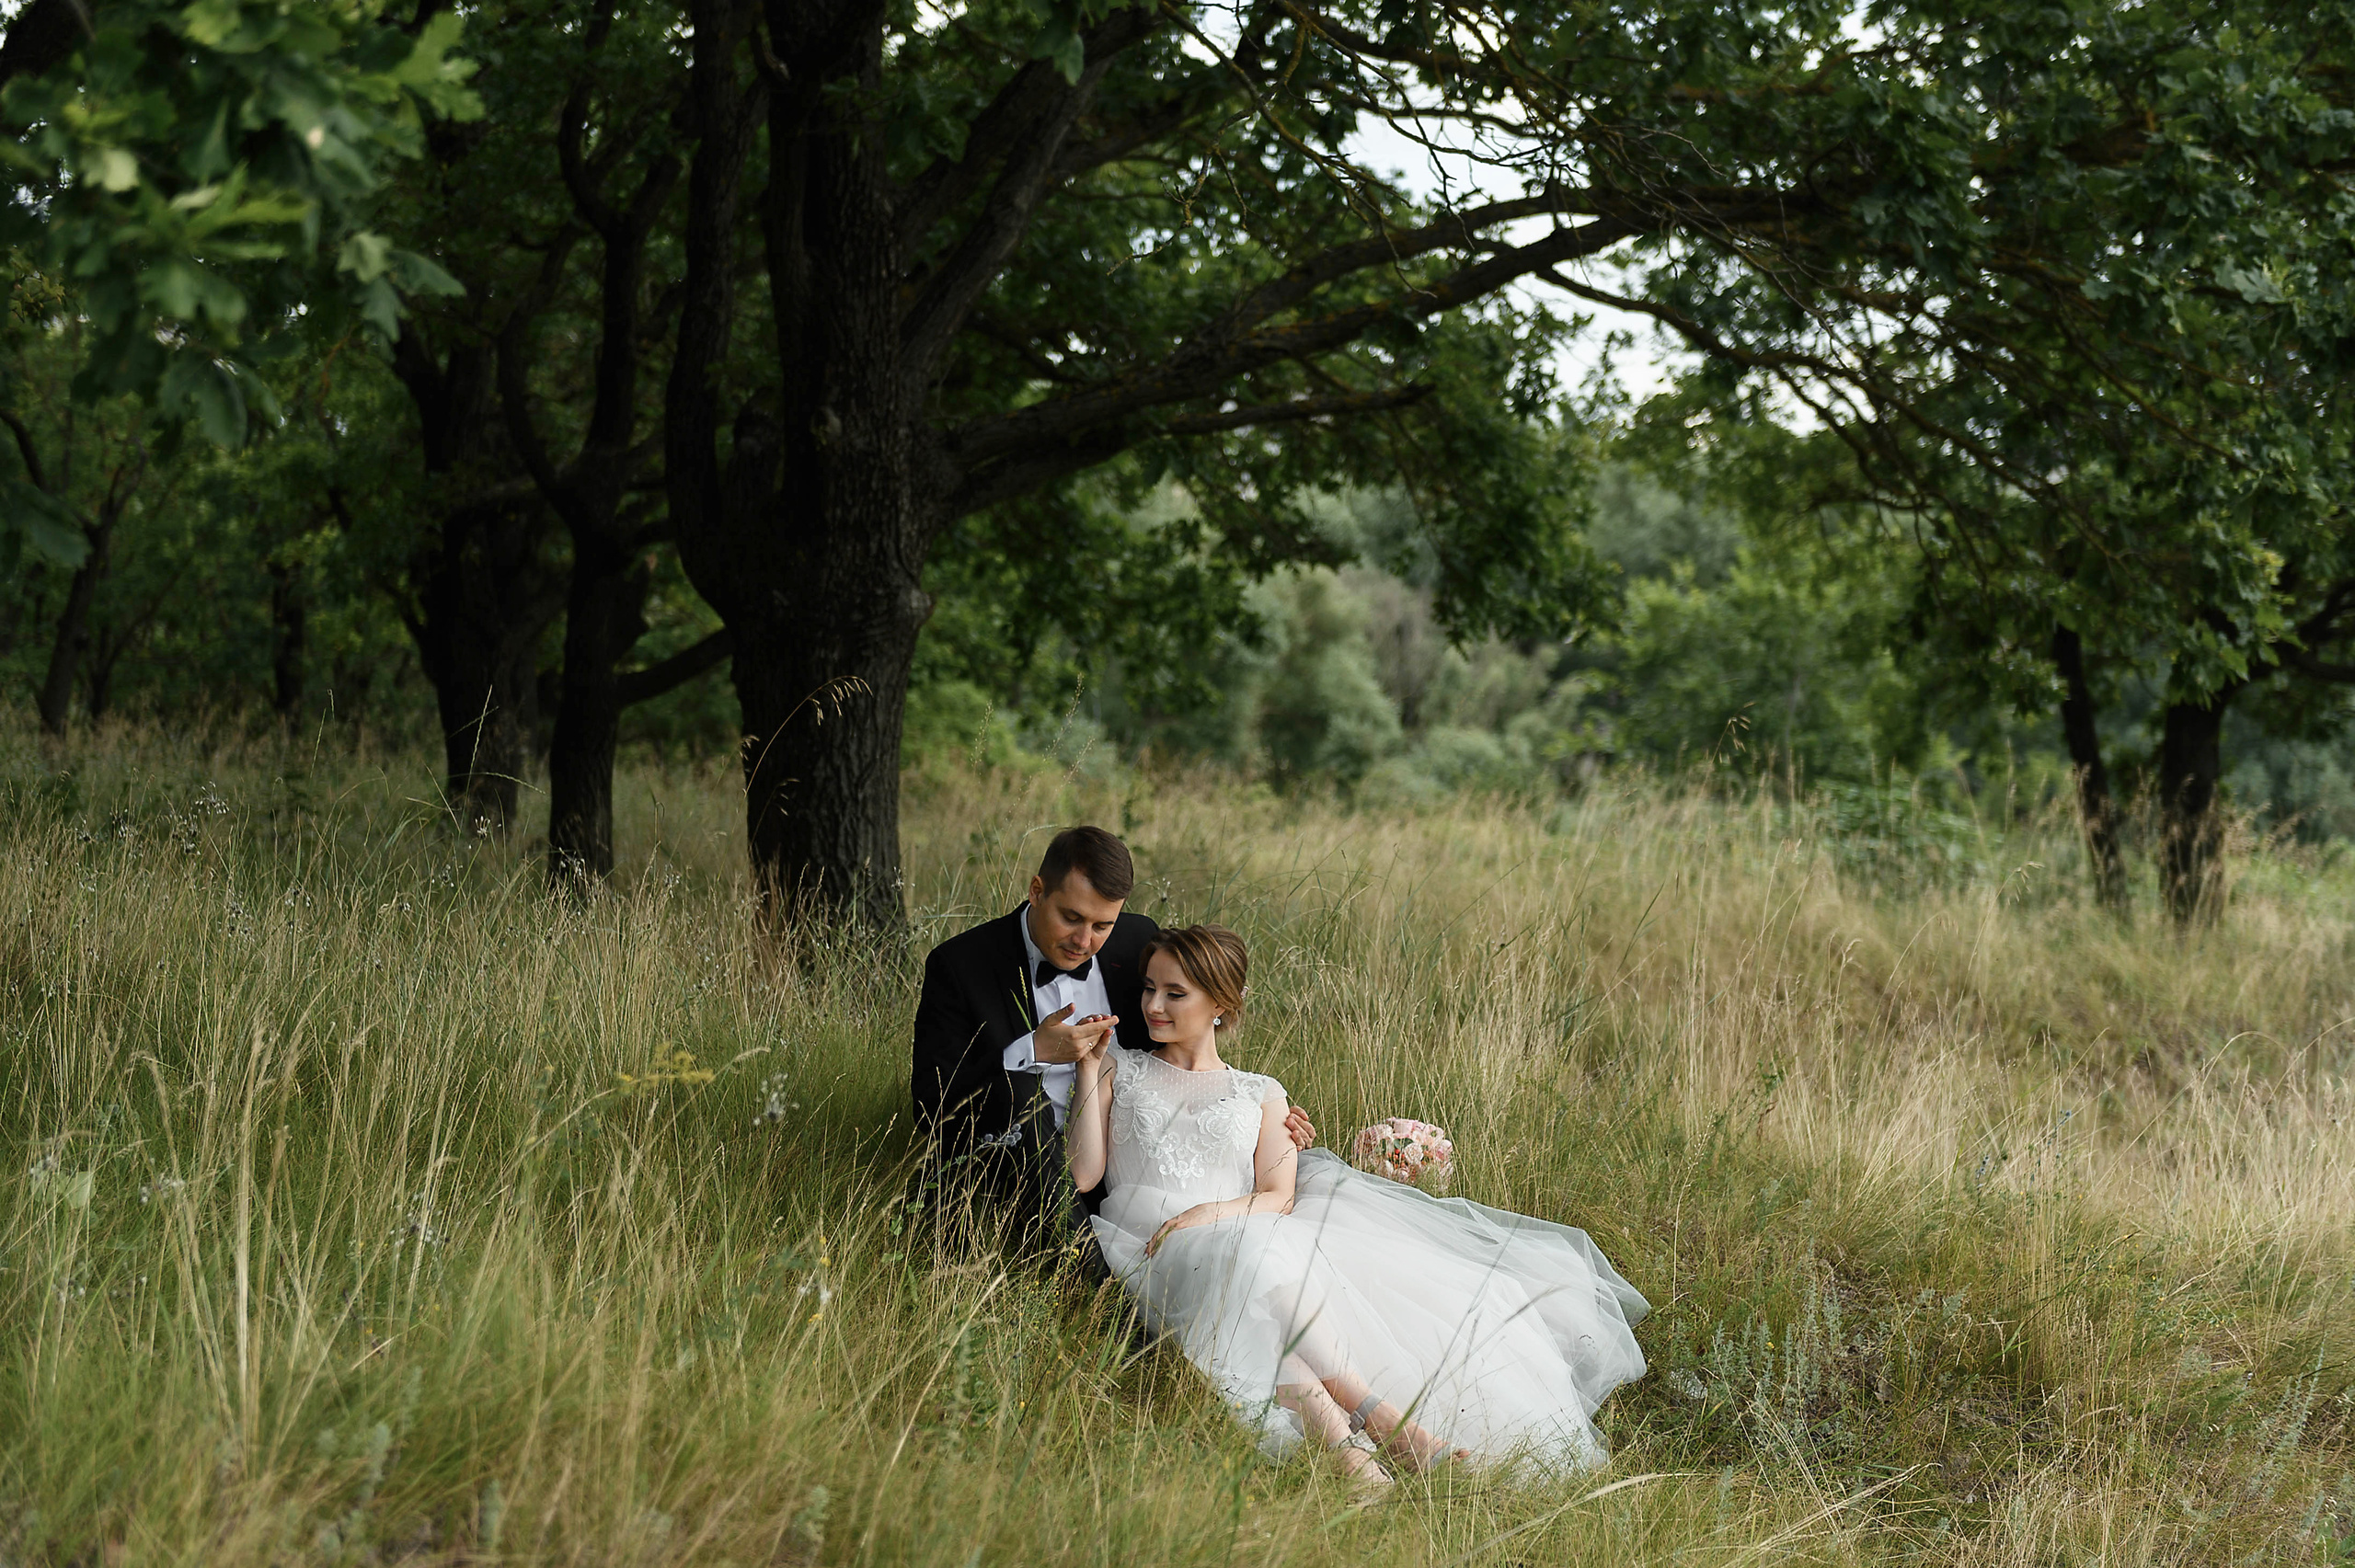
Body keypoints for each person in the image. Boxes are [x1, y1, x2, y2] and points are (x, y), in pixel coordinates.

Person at [1064, 924, 1650, 1489]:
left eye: (1174, 992)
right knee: (1250, 1268)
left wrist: (1205, 1215)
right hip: (1149, 1244)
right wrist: (1089, 1065)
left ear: (1220, 1003)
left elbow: (1277, 1197)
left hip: (1235, 1228)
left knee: (1254, 1277)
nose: (1153, 1005)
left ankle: (1357, 1464)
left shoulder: (1259, 1092)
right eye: (1148, 988)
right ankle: (1391, 1426)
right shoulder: (1125, 1068)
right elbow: (1086, 1171)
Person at [911, 828, 1315, 1251]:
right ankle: (1090, 1282)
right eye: (1071, 918)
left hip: (1126, 1183)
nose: (1084, 941)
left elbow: (1185, 1040)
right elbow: (930, 1105)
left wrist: (1262, 1119)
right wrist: (1031, 1050)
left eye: (1102, 924)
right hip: (1015, 1171)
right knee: (1021, 1089)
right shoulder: (960, 964)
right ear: (1037, 891)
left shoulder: (1138, 940)